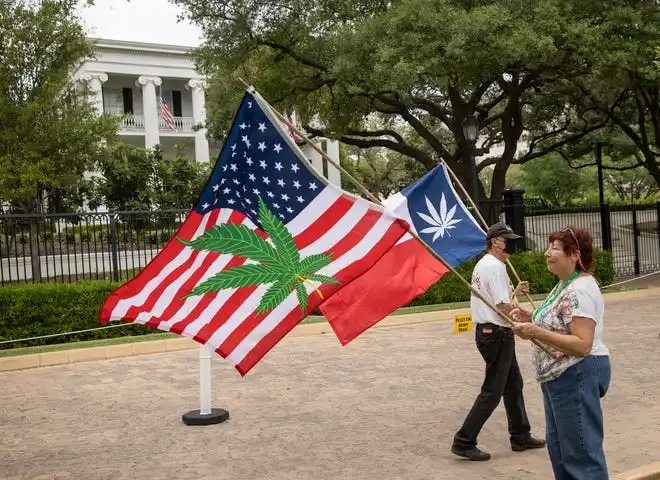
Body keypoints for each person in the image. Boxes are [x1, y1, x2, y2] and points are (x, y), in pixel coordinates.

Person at [511, 227, 611, 479]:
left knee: (581, 455)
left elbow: (582, 344)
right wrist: (531, 317)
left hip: (575, 373)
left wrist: (535, 332)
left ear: (574, 254)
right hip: (560, 377)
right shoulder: (565, 285)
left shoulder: (579, 289)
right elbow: (560, 320)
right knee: (562, 451)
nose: (547, 253)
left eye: (554, 248)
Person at [451, 223, 546, 461]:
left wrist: (515, 298)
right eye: (507, 240)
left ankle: (520, 436)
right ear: (495, 241)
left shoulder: (487, 265)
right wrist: (524, 320)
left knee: (514, 385)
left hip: (492, 332)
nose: (511, 245)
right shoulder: (494, 267)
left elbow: (498, 301)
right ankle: (464, 441)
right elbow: (502, 306)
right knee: (493, 390)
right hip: (496, 334)